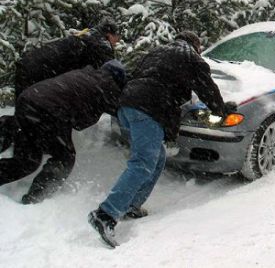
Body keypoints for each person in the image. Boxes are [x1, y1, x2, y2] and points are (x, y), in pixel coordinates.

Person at [88, 31, 236, 248]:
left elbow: (142, 78)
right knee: (142, 164)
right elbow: (207, 89)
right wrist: (221, 109)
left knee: (157, 158)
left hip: (127, 106)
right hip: (147, 110)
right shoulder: (191, 57)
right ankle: (106, 214)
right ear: (196, 45)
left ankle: (131, 205)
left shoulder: (158, 52)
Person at [0, 60, 126, 204]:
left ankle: (8, 128)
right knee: (65, 157)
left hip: (28, 101)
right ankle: (36, 200)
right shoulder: (108, 86)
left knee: (27, 160)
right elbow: (118, 113)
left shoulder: (85, 73)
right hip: (48, 112)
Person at [0, 18, 120, 153]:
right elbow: (108, 76)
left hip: (28, 67)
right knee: (27, 115)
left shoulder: (87, 37)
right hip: (38, 74)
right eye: (117, 38)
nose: (117, 43)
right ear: (110, 35)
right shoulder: (100, 44)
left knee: (24, 114)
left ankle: (20, 149)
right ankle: (24, 152)